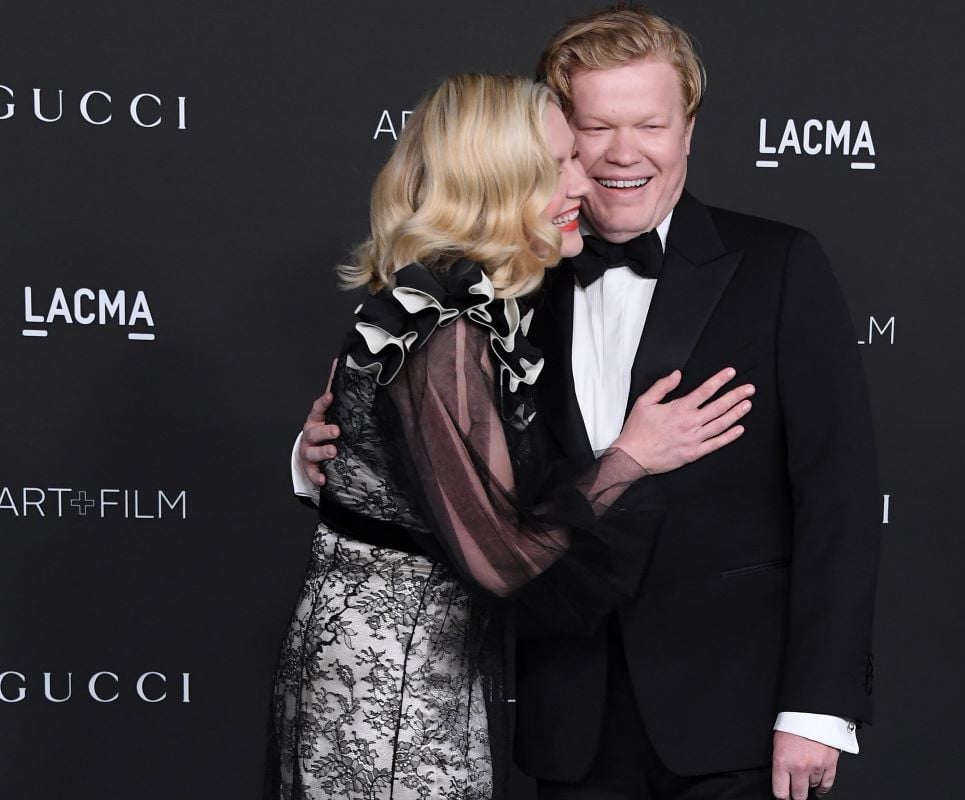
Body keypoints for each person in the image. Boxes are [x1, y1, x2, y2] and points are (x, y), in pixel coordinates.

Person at [297, 8, 881, 800]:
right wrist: (323, 459)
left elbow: (837, 499)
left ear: (688, 129)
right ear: (555, 139)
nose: (619, 154)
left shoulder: (779, 266)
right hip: (566, 713)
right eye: (594, 128)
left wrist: (817, 708)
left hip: (732, 716)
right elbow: (453, 471)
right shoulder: (506, 280)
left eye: (648, 122)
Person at [269, 72, 754, 800]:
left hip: (429, 659)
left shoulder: (461, 304)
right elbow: (502, 556)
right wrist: (632, 455)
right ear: (500, 183)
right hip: (389, 675)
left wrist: (330, 468)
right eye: (557, 166)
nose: (581, 186)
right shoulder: (445, 331)